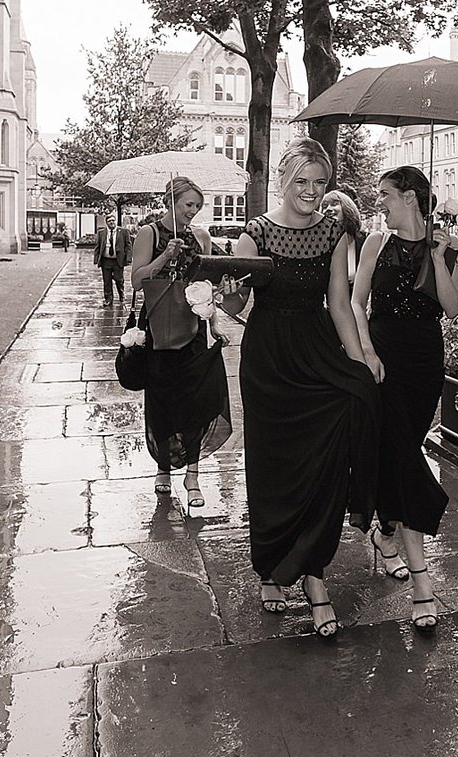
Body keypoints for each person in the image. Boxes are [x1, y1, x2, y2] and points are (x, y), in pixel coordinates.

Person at [220, 138, 379, 638]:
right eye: (300, 182)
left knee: (325, 460)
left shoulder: (334, 232)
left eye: (319, 182)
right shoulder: (256, 234)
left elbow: (339, 302)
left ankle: (313, 574)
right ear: (283, 182)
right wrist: (214, 294)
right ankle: (271, 567)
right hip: (269, 360)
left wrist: (359, 359)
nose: (310, 191)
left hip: (315, 353)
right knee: (273, 466)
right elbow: (232, 305)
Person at [350, 166, 458, 635]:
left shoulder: (447, 246)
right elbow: (357, 304)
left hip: (423, 366)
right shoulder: (376, 244)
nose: (382, 204)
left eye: (387, 196)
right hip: (382, 363)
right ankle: (422, 585)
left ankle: (387, 534)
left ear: (412, 198)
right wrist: (368, 351)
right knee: (403, 460)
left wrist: (437, 259)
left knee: (399, 453)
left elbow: (453, 308)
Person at [129, 177, 233, 508]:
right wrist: (165, 257)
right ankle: (163, 469)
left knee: (195, 400)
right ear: (170, 202)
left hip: (192, 326)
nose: (193, 211)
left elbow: (206, 285)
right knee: (161, 399)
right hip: (158, 326)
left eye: (197, 206)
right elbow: (136, 281)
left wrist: (215, 323)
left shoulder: (200, 236)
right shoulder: (150, 233)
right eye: (188, 204)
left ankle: (192, 475)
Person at [321, 190, 366, 281]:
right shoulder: (317, 244)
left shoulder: (365, 241)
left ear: (347, 208)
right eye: (324, 206)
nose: (328, 209)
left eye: (334, 204)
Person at [93, 212, 130, 306]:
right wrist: (96, 258)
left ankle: (121, 296)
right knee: (107, 280)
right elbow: (98, 246)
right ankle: (108, 299)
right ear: (106, 223)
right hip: (106, 260)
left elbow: (128, 246)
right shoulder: (101, 233)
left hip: (118, 260)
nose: (112, 222)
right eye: (109, 221)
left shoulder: (124, 231)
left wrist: (128, 258)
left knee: (119, 279)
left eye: (113, 220)